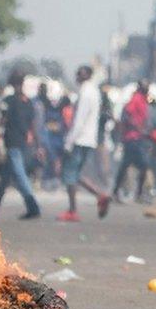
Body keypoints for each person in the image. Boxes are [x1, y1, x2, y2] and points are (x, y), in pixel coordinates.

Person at [0, 71, 42, 220]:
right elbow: (33, 126)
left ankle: (33, 206)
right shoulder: (28, 102)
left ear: (13, 84)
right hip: (22, 144)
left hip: (13, 143)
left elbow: (2, 120)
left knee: (20, 177)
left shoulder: (10, 100)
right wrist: (38, 144)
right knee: (5, 179)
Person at [58, 66, 111, 222]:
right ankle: (100, 195)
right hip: (89, 140)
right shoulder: (94, 91)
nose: (77, 76)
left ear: (87, 75)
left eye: (80, 74)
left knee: (69, 174)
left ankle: (73, 210)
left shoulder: (85, 92)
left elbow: (79, 120)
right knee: (76, 174)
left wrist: (69, 142)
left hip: (79, 139)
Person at [112, 80, 152, 203]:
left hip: (136, 138)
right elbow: (128, 114)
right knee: (142, 165)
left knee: (128, 166)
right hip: (133, 138)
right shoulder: (136, 98)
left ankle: (119, 192)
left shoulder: (143, 99)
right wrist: (137, 127)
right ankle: (136, 194)